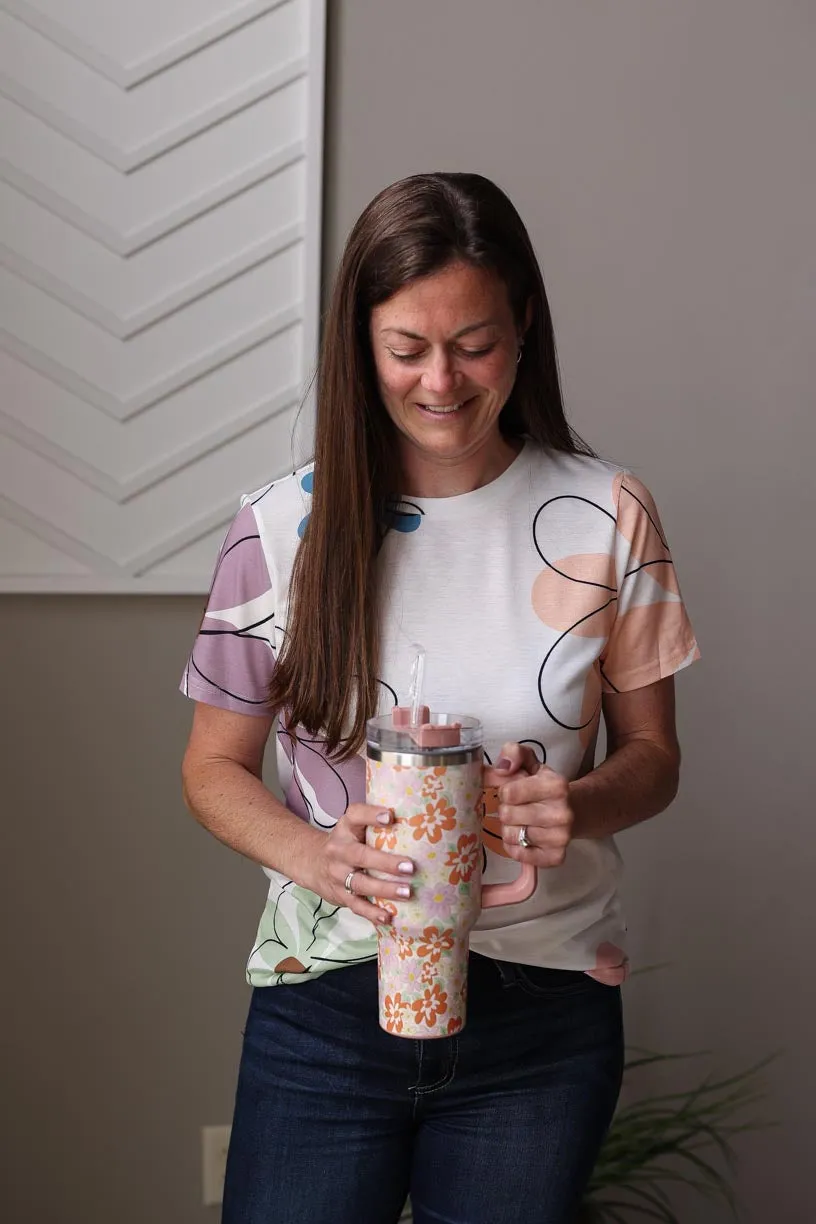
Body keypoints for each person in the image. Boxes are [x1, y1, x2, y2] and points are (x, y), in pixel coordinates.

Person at [180, 171, 699, 1224]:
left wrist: (577, 804)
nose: (441, 382)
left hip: (541, 1010)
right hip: (324, 1006)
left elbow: (655, 758)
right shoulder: (281, 527)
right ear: (360, 345)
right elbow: (210, 766)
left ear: (524, 329)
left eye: (475, 344)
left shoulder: (608, 513)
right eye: (406, 348)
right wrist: (316, 854)